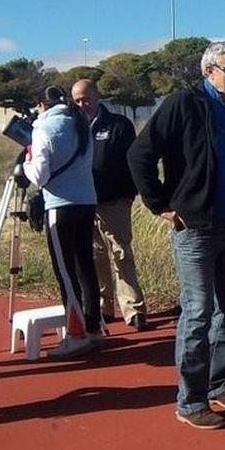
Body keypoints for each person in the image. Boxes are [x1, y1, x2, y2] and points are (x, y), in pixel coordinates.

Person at [127, 41, 225, 430]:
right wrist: (160, 205)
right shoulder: (181, 105)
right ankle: (190, 401)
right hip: (196, 229)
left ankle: (220, 386)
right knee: (198, 312)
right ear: (209, 70)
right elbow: (139, 154)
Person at [17, 85, 102, 359]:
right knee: (85, 266)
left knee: (65, 272)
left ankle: (76, 335)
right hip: (86, 201)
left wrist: (26, 165)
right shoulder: (80, 123)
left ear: (42, 104)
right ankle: (93, 327)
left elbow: (40, 175)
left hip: (60, 205)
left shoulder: (44, 129)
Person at [70, 79, 152, 332]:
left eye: (86, 98)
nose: (82, 104)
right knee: (96, 257)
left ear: (96, 97)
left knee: (121, 253)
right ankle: (104, 307)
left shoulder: (118, 125)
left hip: (114, 200)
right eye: (77, 100)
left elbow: (132, 161)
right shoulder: (71, 126)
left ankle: (133, 309)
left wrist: (129, 194)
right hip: (83, 201)